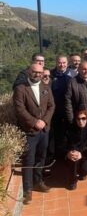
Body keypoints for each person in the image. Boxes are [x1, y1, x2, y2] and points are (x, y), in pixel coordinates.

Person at [13, 63, 55, 204]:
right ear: (29, 72)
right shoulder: (20, 88)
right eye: (34, 72)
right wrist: (34, 122)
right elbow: (20, 109)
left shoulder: (45, 87)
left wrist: (44, 121)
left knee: (41, 157)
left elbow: (51, 106)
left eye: (39, 72)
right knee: (28, 160)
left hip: (44, 130)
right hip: (29, 131)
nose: (37, 74)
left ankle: (38, 181)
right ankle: (27, 190)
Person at [66, 109, 87, 190]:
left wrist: (82, 154)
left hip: (85, 154)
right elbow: (62, 144)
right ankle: (72, 181)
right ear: (75, 119)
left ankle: (82, 172)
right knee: (73, 158)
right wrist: (68, 153)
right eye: (78, 119)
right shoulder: (70, 129)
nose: (81, 121)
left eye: (83, 118)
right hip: (74, 153)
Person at [49, 55, 72, 159]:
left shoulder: (72, 75)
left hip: (69, 110)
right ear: (56, 63)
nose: (62, 65)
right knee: (57, 134)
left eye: (64, 62)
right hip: (56, 111)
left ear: (67, 63)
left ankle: (69, 155)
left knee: (69, 133)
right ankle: (59, 156)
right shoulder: (50, 75)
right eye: (59, 62)